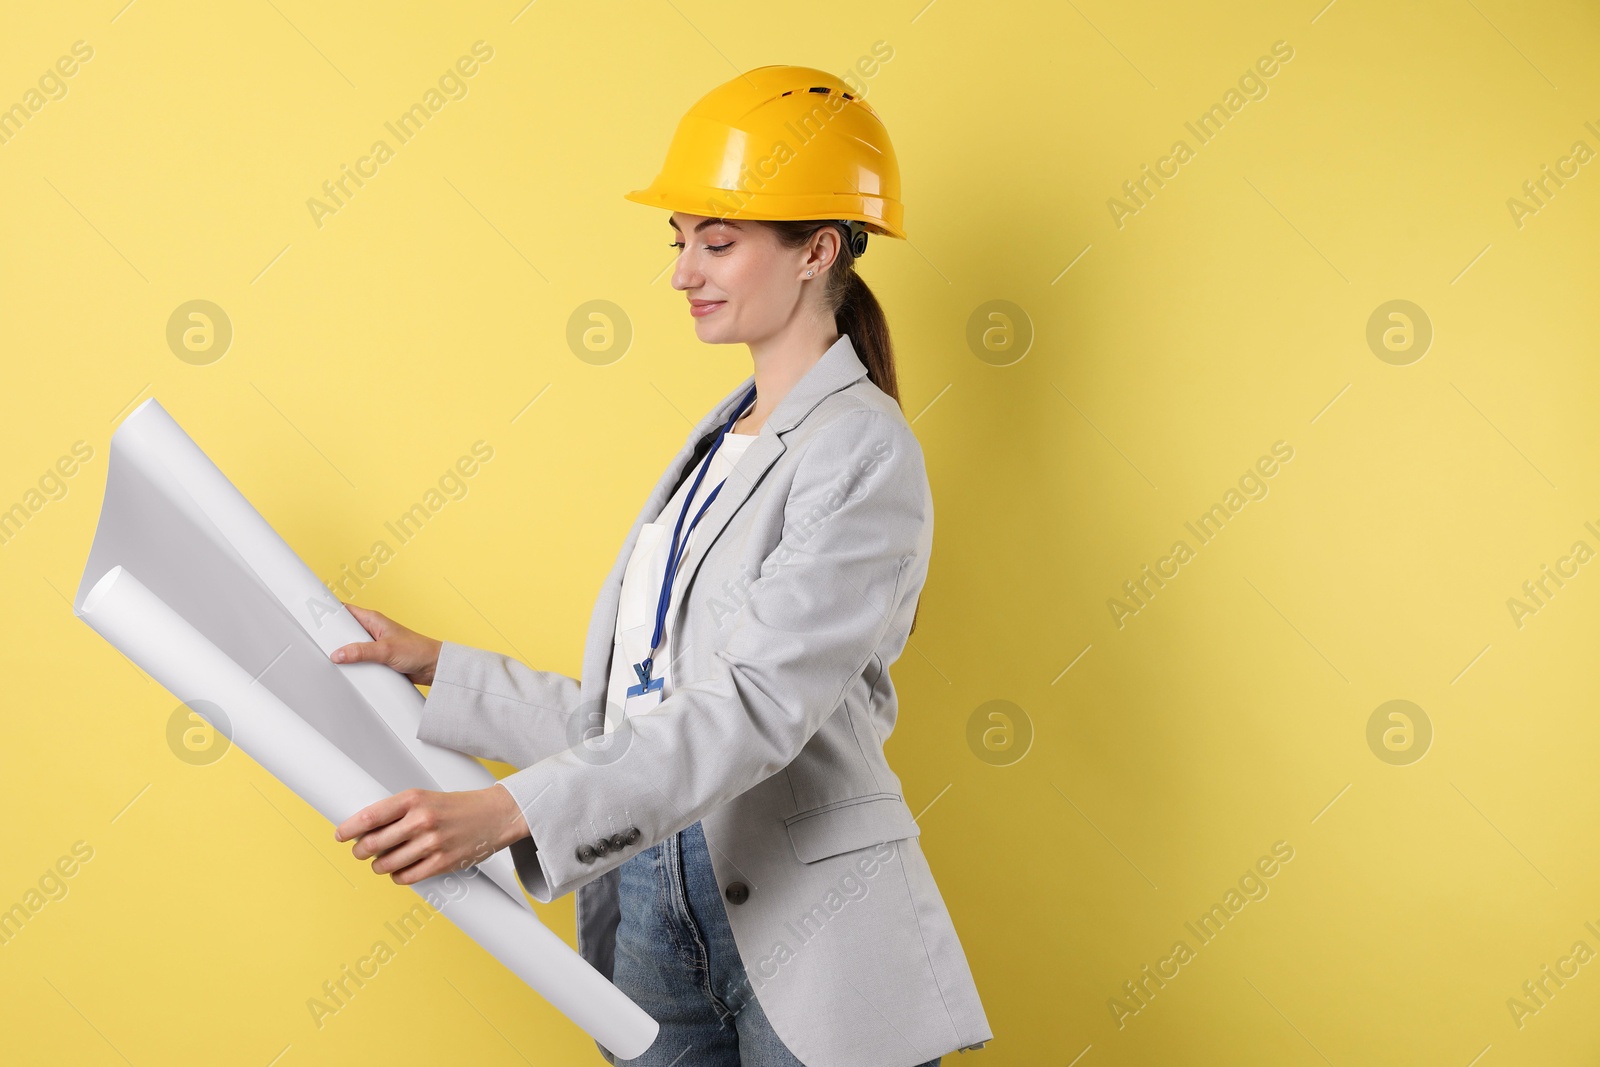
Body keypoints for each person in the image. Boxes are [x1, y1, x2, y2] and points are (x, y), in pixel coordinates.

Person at [329, 65, 992, 1067]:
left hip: (801, 912)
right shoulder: (719, 439)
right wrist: (438, 666)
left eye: (716, 243)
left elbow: (752, 706)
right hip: (646, 888)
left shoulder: (863, 450)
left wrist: (509, 811)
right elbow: (637, 718)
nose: (684, 271)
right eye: (680, 241)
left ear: (817, 249)